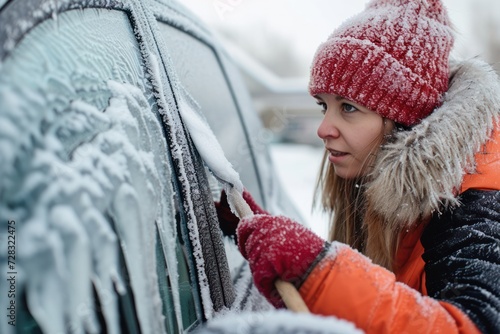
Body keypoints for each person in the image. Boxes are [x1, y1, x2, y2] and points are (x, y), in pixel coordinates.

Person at [217, 0, 500, 332]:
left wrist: (318, 271)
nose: (324, 128)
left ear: (406, 120)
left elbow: (475, 325)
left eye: (348, 108)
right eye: (324, 105)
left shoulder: (477, 203)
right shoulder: (371, 179)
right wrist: (284, 259)